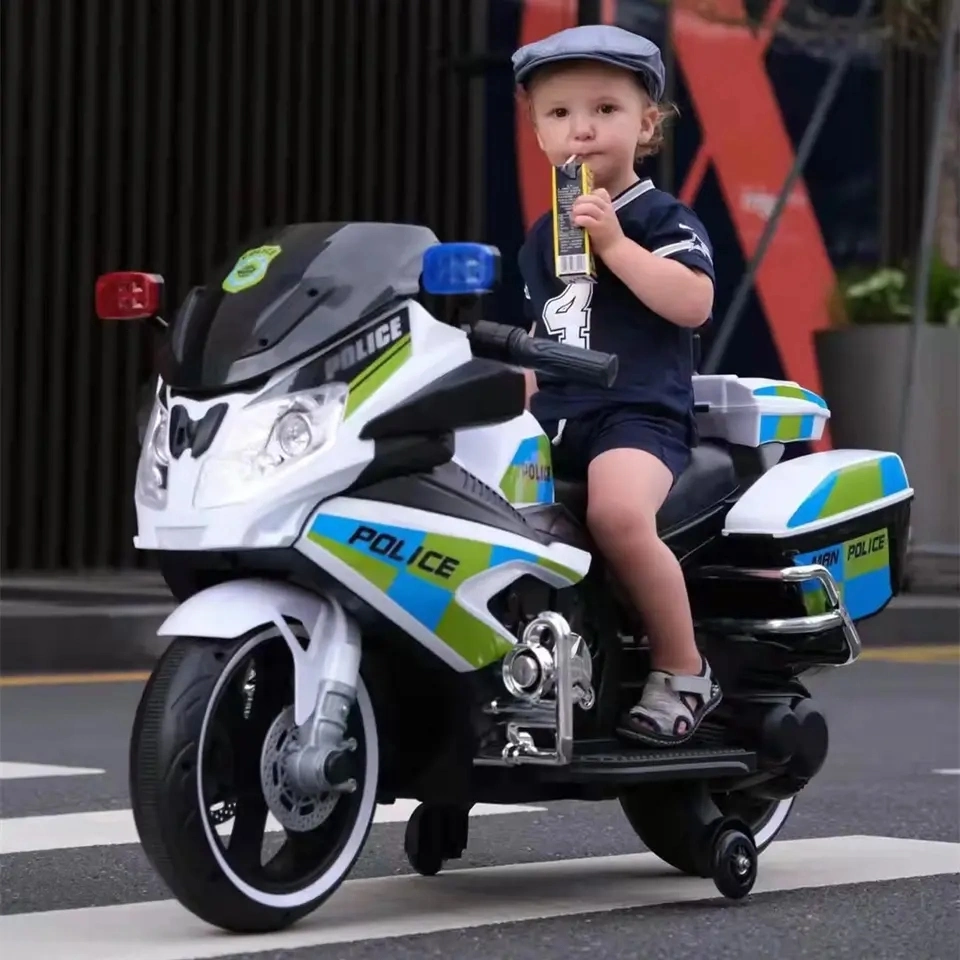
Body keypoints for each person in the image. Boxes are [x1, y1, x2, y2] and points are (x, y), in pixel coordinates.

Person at [512, 24, 721, 746]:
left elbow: (693, 303)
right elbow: (541, 338)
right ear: (538, 130)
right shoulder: (543, 235)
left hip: (639, 417)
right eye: (560, 113)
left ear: (647, 124)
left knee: (619, 517)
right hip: (558, 419)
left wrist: (617, 246)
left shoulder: (662, 217)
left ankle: (682, 668)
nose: (582, 129)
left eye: (605, 110)